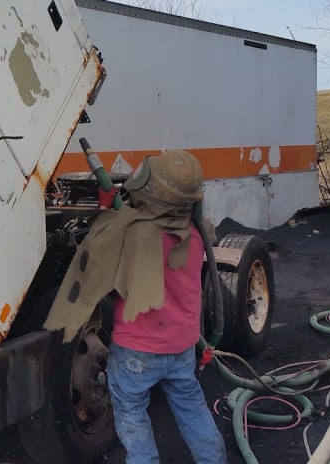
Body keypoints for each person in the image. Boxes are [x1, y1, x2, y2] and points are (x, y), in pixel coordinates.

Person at [44, 150, 226, 464]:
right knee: (193, 410)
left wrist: (107, 209)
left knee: (131, 415)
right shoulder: (197, 235)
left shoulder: (128, 233)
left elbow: (105, 267)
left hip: (136, 354)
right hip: (181, 348)